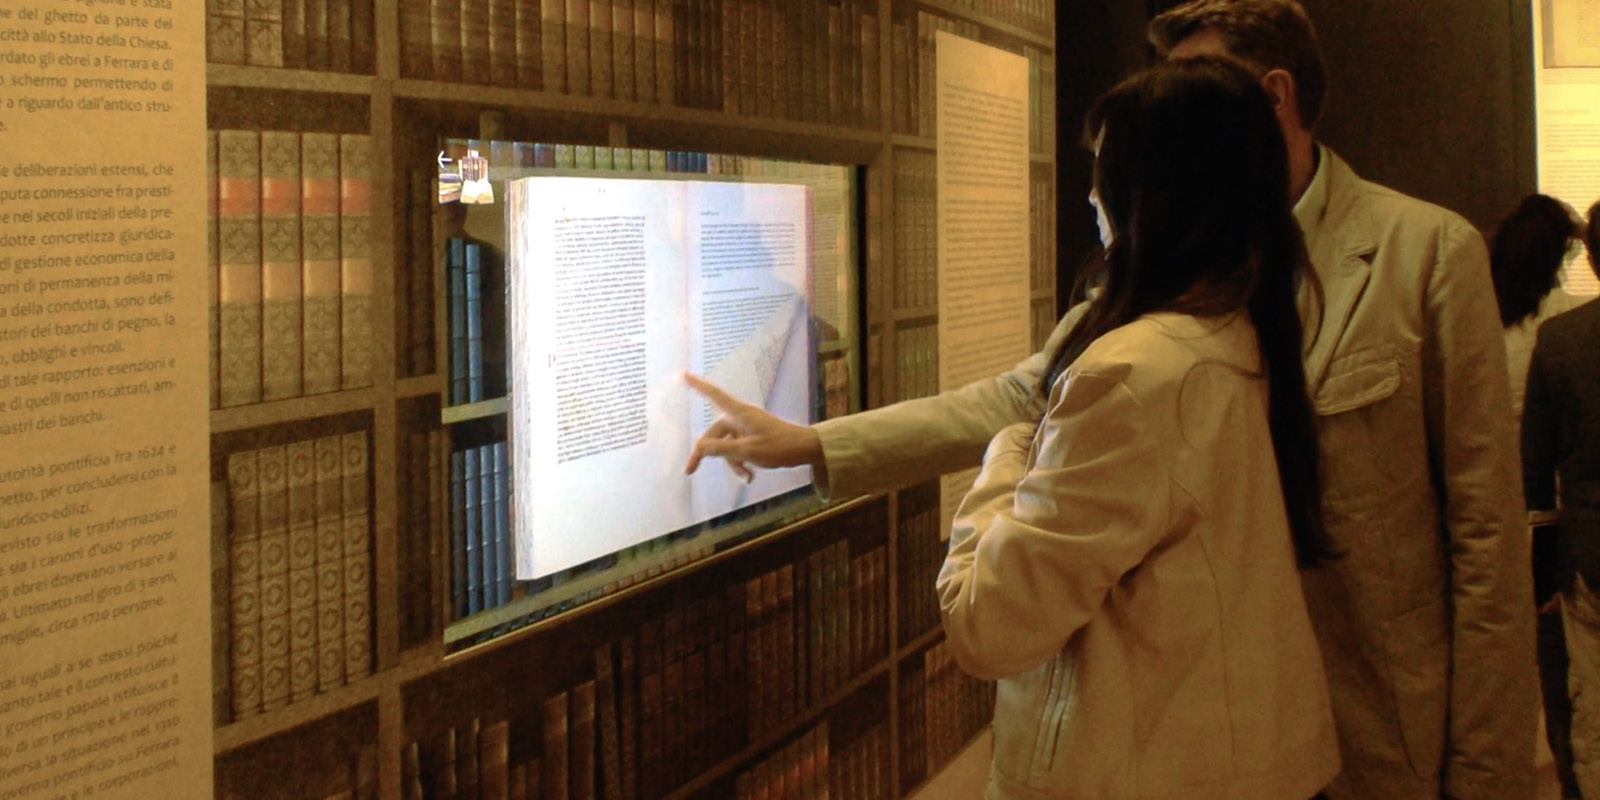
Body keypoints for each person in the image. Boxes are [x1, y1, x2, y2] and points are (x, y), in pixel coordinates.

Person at [686, 1, 1536, 797]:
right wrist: (815, 443)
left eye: (1194, 91)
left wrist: (1487, 767)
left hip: (1370, 714)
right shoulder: (1165, 285)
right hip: (1196, 721)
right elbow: (1021, 397)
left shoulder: (1423, 252)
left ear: (1270, 98)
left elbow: (1486, 534)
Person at [930, 56, 1339, 799]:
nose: (1091, 195)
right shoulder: (1245, 327)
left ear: (1155, 193)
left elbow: (987, 625)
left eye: (1104, 169)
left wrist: (1007, 452)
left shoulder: (1129, 374)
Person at [1490, 193, 1589, 800]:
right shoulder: (1567, 323)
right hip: (1557, 520)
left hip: (1498, 516)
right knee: (1568, 673)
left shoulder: (1484, 319)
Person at [1524, 200, 1600, 799]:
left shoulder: (1561, 340)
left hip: (1590, 561)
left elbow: (1535, 467)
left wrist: (1543, 572)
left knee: (1593, 717)